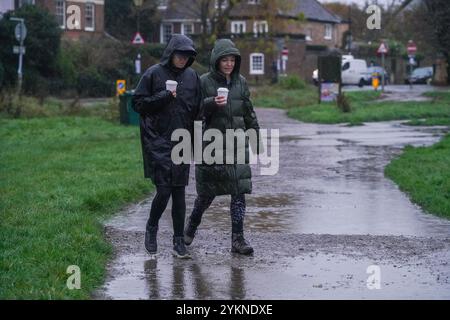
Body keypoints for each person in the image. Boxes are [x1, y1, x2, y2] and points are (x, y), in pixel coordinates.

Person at [184, 39, 262, 255]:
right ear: (216, 61)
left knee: (239, 191)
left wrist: (256, 139)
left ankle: (238, 239)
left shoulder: (241, 82)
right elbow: (193, 112)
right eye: (224, 60)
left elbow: (248, 111)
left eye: (232, 60)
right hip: (212, 145)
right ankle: (191, 226)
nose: (228, 64)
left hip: (237, 144)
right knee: (207, 194)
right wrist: (210, 103)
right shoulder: (203, 82)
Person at [132, 34, 201, 259]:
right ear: (171, 53)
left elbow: (197, 109)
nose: (183, 59)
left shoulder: (192, 77)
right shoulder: (153, 74)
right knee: (164, 190)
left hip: (182, 140)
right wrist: (164, 96)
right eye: (180, 55)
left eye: (187, 56)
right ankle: (152, 227)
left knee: (179, 191)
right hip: (157, 140)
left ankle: (178, 241)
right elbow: (138, 104)